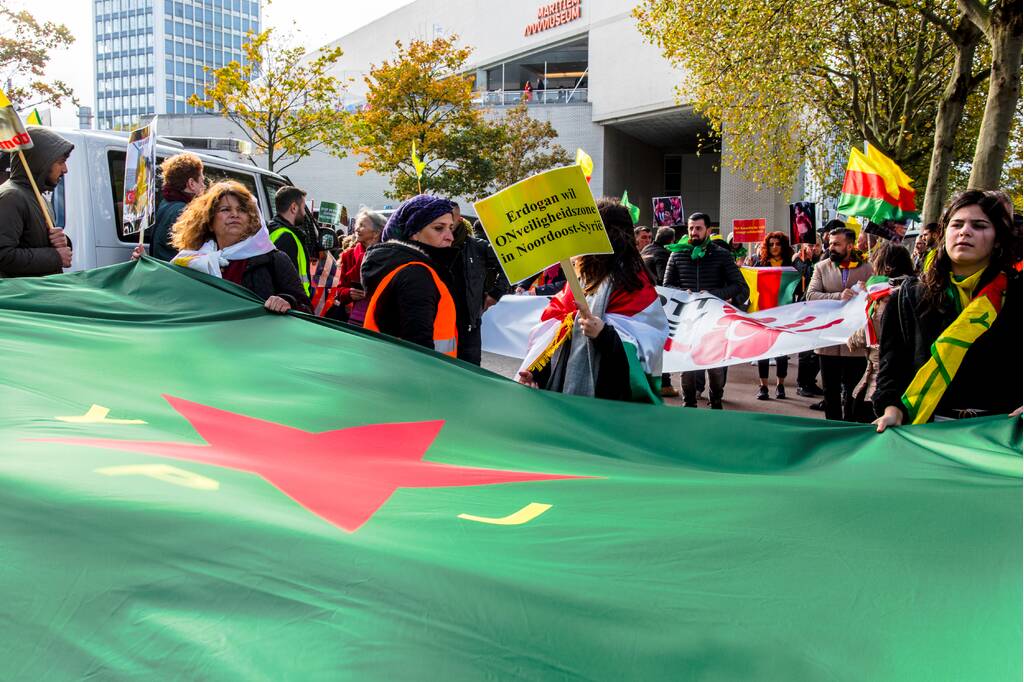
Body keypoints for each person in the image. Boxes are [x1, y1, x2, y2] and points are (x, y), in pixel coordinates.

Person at [873, 190, 1022, 432]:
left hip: (1003, 435)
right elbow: (892, 368)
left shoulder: (1017, 294)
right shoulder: (909, 295)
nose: (965, 231)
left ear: (997, 239)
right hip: (925, 431)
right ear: (944, 234)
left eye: (979, 225)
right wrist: (891, 409)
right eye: (957, 224)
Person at [517, 199, 669, 402]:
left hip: (609, 404)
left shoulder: (635, 282)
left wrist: (604, 335)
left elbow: (644, 354)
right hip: (566, 397)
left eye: (587, 226)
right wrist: (538, 374)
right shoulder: (579, 278)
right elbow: (561, 337)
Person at [169, 181, 310, 314]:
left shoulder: (274, 259)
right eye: (225, 209)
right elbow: (170, 302)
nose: (234, 214)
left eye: (242, 210)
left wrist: (288, 302)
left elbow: (307, 310)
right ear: (209, 221)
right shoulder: (190, 262)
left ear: (251, 220)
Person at [663, 212, 749, 409]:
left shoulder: (722, 255)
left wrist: (713, 294)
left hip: (714, 322)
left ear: (709, 231)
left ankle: (716, 400)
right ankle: (689, 404)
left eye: (698, 228)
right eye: (691, 228)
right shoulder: (676, 254)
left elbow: (741, 287)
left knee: (716, 368)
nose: (694, 232)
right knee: (687, 367)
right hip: (687, 321)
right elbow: (667, 286)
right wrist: (683, 293)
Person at [360, 194, 459, 356]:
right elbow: (419, 349)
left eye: (450, 227)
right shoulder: (416, 275)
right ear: (413, 233)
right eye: (439, 228)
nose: (450, 237)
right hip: (421, 376)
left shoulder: (407, 267)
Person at [806, 226, 873, 420]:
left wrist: (868, 293)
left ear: (850, 246)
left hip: (855, 342)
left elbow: (876, 300)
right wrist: (838, 296)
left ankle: (851, 427)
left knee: (854, 390)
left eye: (836, 244)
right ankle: (832, 427)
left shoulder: (867, 268)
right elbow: (810, 295)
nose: (830, 247)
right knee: (830, 391)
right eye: (829, 243)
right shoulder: (821, 267)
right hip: (828, 341)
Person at [846, 242, 915, 422]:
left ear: (886, 267)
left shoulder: (888, 296)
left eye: (876, 262)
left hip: (882, 379)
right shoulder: (913, 289)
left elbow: (877, 325)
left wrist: (854, 338)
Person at [0, 127, 74, 277]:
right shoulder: (11, 197)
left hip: (38, 294)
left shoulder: (39, 198)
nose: (65, 169)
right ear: (41, 161)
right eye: (60, 162)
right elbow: (3, 255)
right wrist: (55, 257)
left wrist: (62, 241)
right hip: (20, 297)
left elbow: (33, 243)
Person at [449, 214, 509, 365]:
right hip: (443, 319)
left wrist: (495, 294)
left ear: (459, 219)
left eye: (451, 217)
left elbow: (507, 265)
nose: (448, 222)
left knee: (469, 368)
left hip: (469, 322)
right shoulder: (433, 245)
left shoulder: (478, 246)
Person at [750, 231, 794, 399]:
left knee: (782, 352)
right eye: (771, 244)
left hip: (785, 313)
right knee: (764, 351)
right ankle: (763, 387)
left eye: (778, 244)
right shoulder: (759, 263)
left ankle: (780, 385)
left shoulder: (792, 264)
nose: (775, 247)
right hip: (765, 313)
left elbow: (798, 287)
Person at [335, 208, 386, 326]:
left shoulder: (387, 255)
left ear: (376, 232)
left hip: (381, 318)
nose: (356, 229)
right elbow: (340, 290)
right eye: (358, 225)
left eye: (362, 225)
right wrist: (349, 293)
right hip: (355, 318)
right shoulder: (349, 255)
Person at [151, 153, 205, 261]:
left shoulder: (166, 203)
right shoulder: (184, 211)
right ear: (191, 183)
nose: (204, 186)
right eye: (202, 181)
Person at [268, 185, 317, 297]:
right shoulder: (287, 238)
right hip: (291, 305)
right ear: (294, 207)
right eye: (304, 207)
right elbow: (288, 282)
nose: (304, 213)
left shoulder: (273, 230)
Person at [792, 239, 825, 397]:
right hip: (805, 309)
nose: (813, 248)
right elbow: (804, 276)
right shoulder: (799, 260)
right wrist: (799, 261)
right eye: (810, 245)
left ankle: (811, 381)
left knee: (818, 350)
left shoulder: (824, 260)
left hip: (822, 311)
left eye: (816, 245)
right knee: (806, 351)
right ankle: (802, 383)